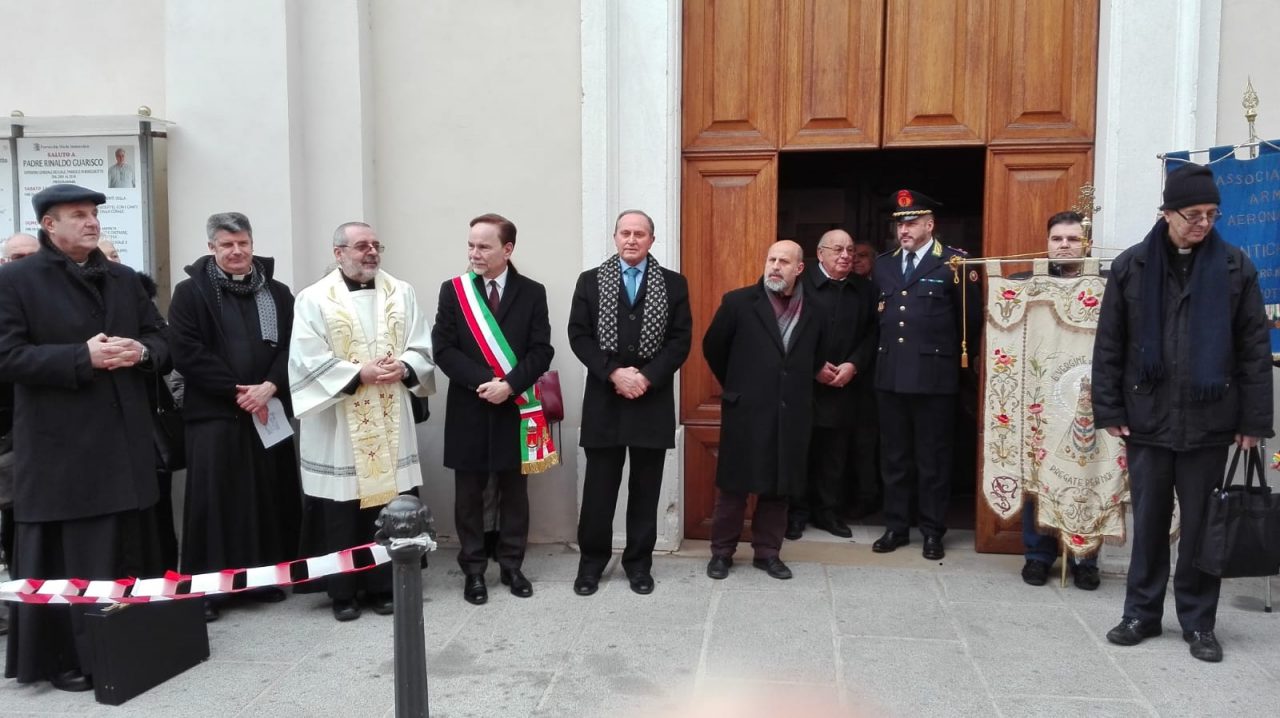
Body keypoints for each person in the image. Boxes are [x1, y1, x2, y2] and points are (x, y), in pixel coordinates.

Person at [1092, 163, 1273, 663]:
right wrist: (1109, 407)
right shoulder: (1133, 266)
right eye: (1193, 214)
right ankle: (1140, 614)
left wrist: (1254, 424)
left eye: (1212, 214)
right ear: (1166, 213)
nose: (1203, 224)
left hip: (1211, 422)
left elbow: (1253, 349)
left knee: (1201, 527)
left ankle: (1198, 623)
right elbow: (1111, 344)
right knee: (1149, 522)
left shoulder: (1236, 268)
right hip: (1147, 419)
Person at [0, 184, 169, 691]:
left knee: (128, 554)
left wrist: (140, 352)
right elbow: (7, 357)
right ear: (49, 226)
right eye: (78, 214)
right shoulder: (17, 281)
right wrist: (82, 357)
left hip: (126, 447)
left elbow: (162, 340)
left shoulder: (122, 279)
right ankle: (70, 657)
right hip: (63, 455)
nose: (92, 222)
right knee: (75, 562)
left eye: (95, 213)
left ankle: (132, 646)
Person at [288, 221, 435, 621]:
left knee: (390, 504)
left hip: (389, 417)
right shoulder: (313, 299)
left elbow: (422, 345)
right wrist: (356, 374)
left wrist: (404, 366)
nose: (371, 252)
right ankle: (343, 592)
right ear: (338, 253)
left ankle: (386, 584)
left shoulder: (400, 292)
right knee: (342, 507)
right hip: (338, 420)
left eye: (375, 245)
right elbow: (305, 358)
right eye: (360, 246)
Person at [169, 212, 303, 621]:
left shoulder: (277, 292)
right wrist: (236, 391)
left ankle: (260, 578)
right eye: (226, 244)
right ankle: (209, 589)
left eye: (243, 242)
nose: (237, 251)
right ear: (212, 248)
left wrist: (270, 386)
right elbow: (187, 352)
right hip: (215, 415)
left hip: (268, 408)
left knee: (265, 497)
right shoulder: (190, 293)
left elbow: (293, 347)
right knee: (216, 501)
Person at [432, 213, 555, 605]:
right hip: (470, 405)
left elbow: (542, 350)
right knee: (469, 493)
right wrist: (484, 381)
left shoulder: (532, 292)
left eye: (483, 246)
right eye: (470, 245)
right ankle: (473, 570)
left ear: (507, 249)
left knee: (513, 491)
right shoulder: (454, 291)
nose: (474, 253)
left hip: (516, 406)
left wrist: (510, 385)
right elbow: (443, 349)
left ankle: (512, 565)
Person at [568, 210, 692, 596]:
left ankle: (639, 564)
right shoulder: (590, 282)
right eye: (625, 233)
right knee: (599, 491)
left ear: (652, 240)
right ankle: (591, 565)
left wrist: (647, 376)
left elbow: (680, 341)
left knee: (645, 489)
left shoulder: (673, 284)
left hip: (651, 401)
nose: (632, 239)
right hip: (605, 400)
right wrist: (614, 373)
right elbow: (579, 335)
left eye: (640, 233)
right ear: (615, 237)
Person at [702, 240, 824, 581]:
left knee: (778, 487)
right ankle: (722, 554)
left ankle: (768, 553)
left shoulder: (815, 309)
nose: (774, 266)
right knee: (734, 487)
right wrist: (740, 385)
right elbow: (714, 348)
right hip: (746, 410)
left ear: (799, 269)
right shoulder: (738, 302)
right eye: (771, 259)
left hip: (791, 413)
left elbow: (814, 355)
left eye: (783, 261)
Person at [871, 189, 970, 561]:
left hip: (933, 378)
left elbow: (968, 321)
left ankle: (932, 531)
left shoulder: (955, 263)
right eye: (899, 224)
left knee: (932, 460)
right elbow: (875, 320)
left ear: (930, 225)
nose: (904, 230)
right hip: (891, 375)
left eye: (911, 222)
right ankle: (896, 526)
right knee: (894, 458)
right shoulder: (883, 265)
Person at [1018, 210, 1100, 590]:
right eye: (1057, 239)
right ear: (1047, 243)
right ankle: (1038, 555)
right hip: (1041, 396)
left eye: (1071, 239)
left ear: (1084, 243)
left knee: (1087, 474)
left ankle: (1084, 557)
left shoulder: (1105, 285)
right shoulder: (1028, 285)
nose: (1064, 245)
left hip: (1086, 394)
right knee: (1039, 475)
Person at [785, 230, 877, 540]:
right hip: (803, 384)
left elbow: (872, 334)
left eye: (850, 250)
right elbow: (784, 329)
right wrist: (812, 367)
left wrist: (854, 364)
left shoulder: (865, 290)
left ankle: (827, 512)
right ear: (820, 253)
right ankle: (796, 513)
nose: (846, 256)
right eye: (838, 249)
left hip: (844, 384)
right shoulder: (799, 285)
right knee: (800, 451)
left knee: (834, 455)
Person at [0, 234, 40, 639]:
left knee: (19, 530)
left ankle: (19, 612)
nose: (23, 263)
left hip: (26, 437)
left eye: (31, 257)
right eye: (16, 257)